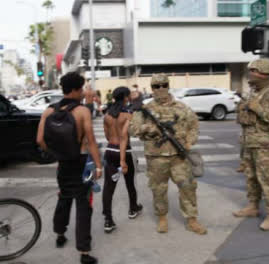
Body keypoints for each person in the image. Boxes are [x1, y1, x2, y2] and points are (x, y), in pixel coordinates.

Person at [37, 72, 102, 264]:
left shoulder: (49, 110)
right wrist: (98, 166)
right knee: (84, 206)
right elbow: (91, 142)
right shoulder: (82, 111)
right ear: (74, 90)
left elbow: (39, 140)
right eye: (81, 89)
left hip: (63, 164)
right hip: (82, 164)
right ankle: (84, 252)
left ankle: (60, 234)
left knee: (64, 198)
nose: (83, 92)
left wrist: (57, 153)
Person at [129, 73, 207, 235]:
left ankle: (192, 219)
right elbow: (133, 129)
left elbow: (194, 125)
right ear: (152, 88)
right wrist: (150, 129)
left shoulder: (181, 107)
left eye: (164, 85)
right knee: (158, 189)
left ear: (168, 85)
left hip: (179, 156)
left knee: (187, 187)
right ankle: (162, 217)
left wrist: (188, 142)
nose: (161, 89)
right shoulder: (145, 109)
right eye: (157, 86)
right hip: (156, 157)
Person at [233, 59, 269, 231]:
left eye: (253, 70)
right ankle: (253, 206)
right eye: (250, 70)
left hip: (267, 145)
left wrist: (258, 109)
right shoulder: (254, 91)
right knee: (251, 177)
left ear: (263, 73)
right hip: (251, 142)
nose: (250, 73)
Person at [102, 87, 142, 233]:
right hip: (123, 152)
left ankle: (108, 220)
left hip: (110, 150)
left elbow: (107, 136)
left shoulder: (107, 115)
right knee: (130, 183)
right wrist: (123, 160)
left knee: (108, 187)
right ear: (125, 97)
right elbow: (124, 137)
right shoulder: (127, 115)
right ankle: (133, 209)